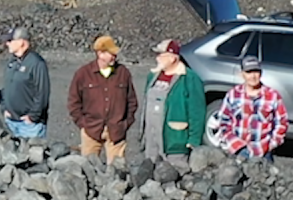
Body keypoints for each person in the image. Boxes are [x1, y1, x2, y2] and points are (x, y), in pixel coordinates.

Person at [68, 35, 138, 164]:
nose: (114, 56)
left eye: (114, 53)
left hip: (117, 131)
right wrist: (83, 124)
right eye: (111, 53)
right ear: (100, 53)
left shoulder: (123, 73)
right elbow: (74, 101)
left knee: (117, 173)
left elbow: (132, 101)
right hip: (91, 130)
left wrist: (125, 124)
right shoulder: (83, 74)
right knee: (88, 170)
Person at [142, 39, 205, 164]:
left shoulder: (189, 78)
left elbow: (197, 111)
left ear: (172, 58)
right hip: (151, 141)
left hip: (174, 142)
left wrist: (194, 140)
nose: (157, 58)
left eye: (161, 55)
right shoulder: (152, 76)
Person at [216, 56, 288, 161]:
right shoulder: (233, 94)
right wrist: (234, 143)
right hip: (238, 151)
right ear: (242, 74)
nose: (253, 76)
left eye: (256, 72)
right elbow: (223, 120)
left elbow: (282, 122)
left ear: (261, 73)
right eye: (249, 72)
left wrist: (272, 144)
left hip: (263, 152)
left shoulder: (272, 95)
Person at [1, 27, 50, 139]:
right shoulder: (12, 61)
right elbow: (6, 86)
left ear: (21, 42)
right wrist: (4, 108)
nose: (7, 44)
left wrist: (33, 117)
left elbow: (42, 93)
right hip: (11, 122)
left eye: (10, 41)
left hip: (29, 126)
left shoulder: (36, 63)